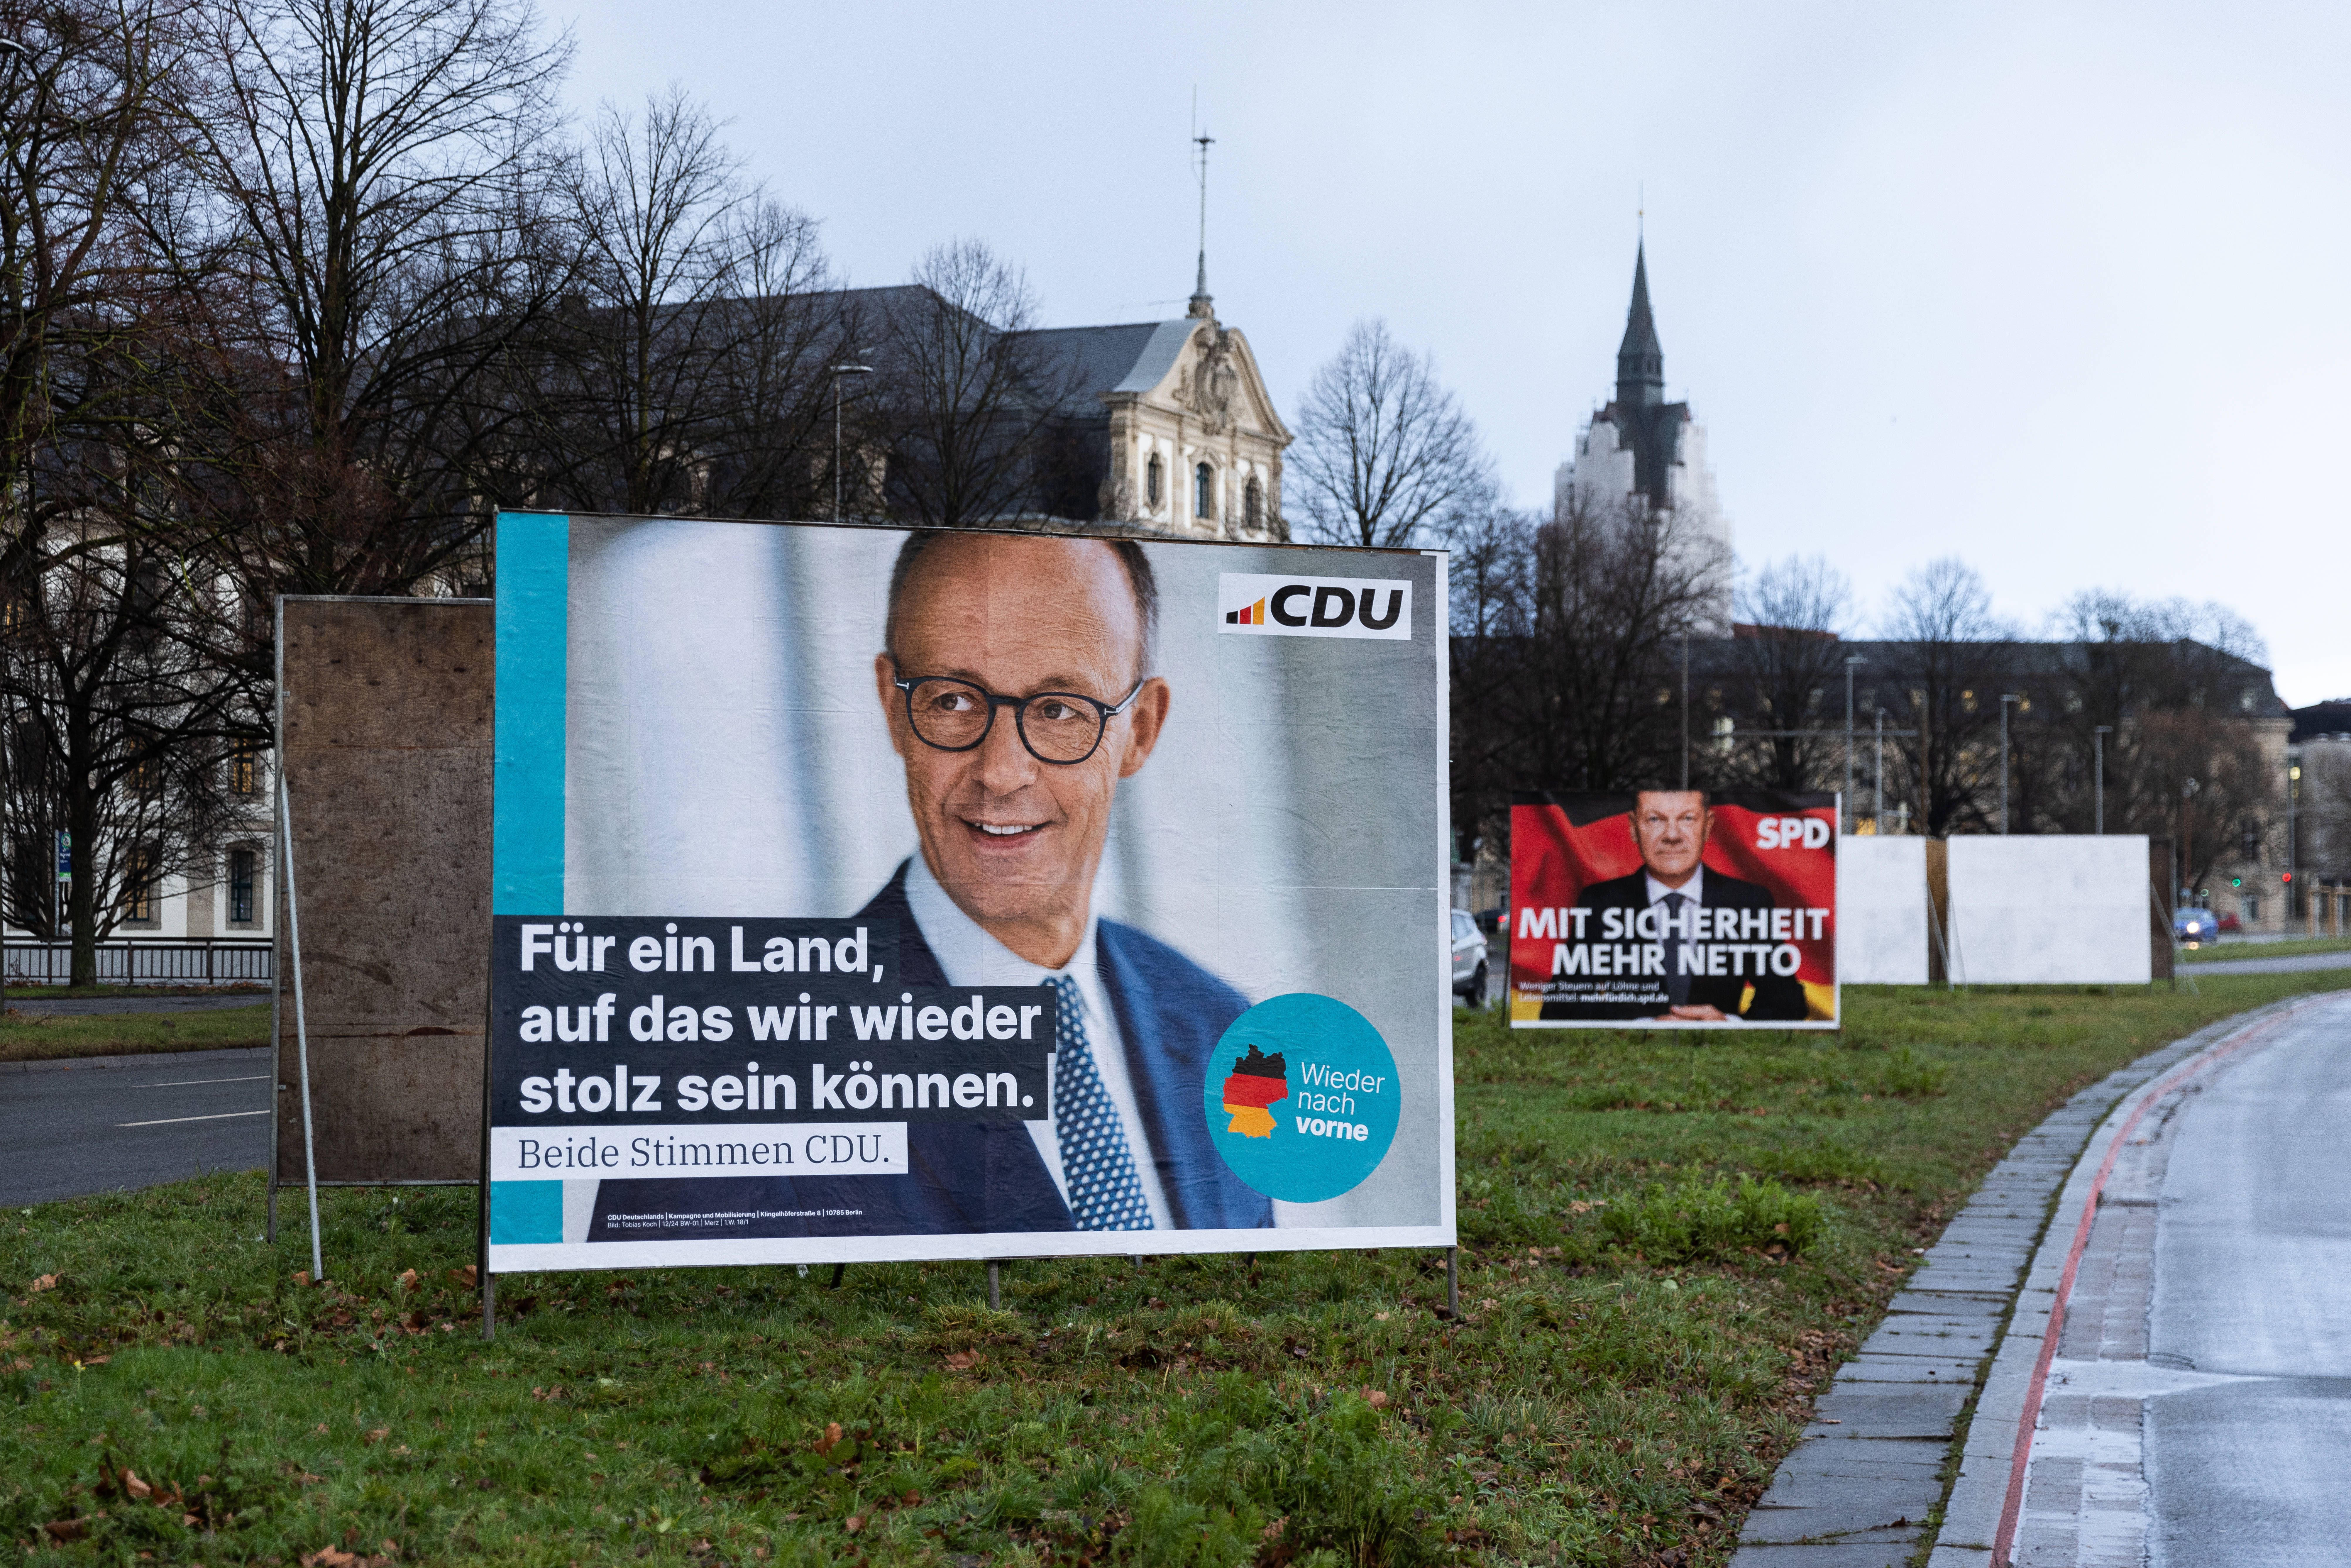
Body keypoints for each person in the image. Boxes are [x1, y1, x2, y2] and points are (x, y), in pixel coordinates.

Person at [1564, 790, 1809, 1023]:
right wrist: (1640, 1027)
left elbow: (1788, 1002)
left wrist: (1729, 1025)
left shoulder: (1748, 902)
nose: (1672, 836)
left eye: (1687, 819)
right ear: (1633, 827)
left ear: (1708, 826)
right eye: (1655, 819)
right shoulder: (1600, 902)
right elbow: (1564, 1005)